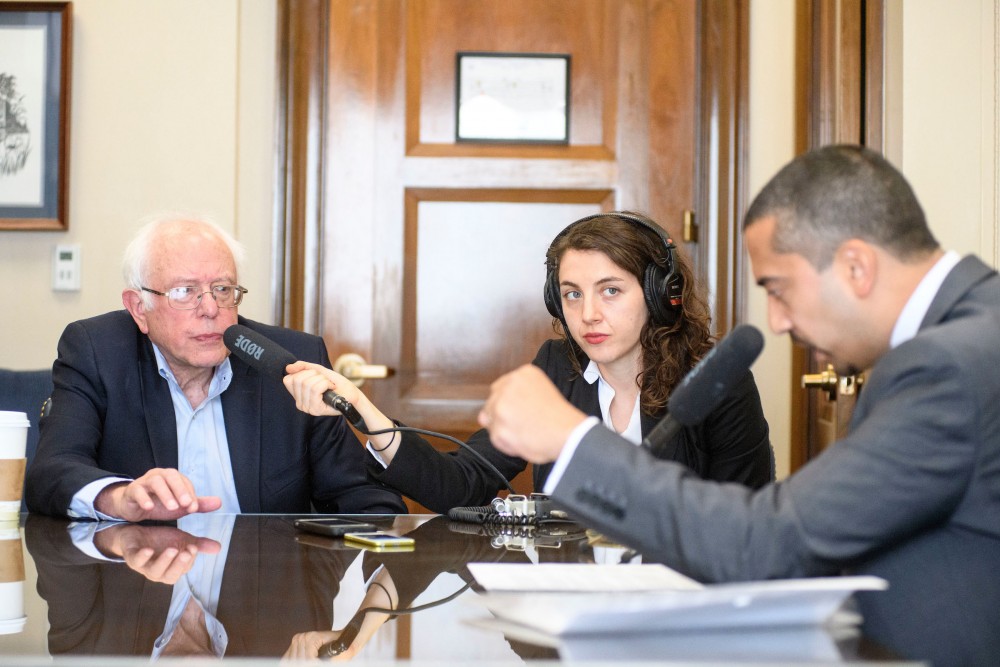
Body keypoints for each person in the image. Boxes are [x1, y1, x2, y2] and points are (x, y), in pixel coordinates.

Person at [476, 145, 1000, 663]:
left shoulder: (945, 368)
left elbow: (771, 541)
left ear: (856, 267)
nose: (777, 321)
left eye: (778, 288)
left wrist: (571, 441)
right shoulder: (971, 336)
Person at [283, 211, 773, 513]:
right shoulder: (556, 367)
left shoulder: (715, 383)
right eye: (571, 294)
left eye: (611, 291)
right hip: (565, 609)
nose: (588, 315)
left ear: (658, 294)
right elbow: (462, 485)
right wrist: (362, 410)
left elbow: (745, 521)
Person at [25, 214, 406, 520]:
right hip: (139, 595)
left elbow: (362, 497)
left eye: (223, 289)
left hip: (265, 603)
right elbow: (52, 473)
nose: (210, 309)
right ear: (140, 309)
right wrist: (120, 498)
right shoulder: (97, 352)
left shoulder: (289, 362)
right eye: (184, 292)